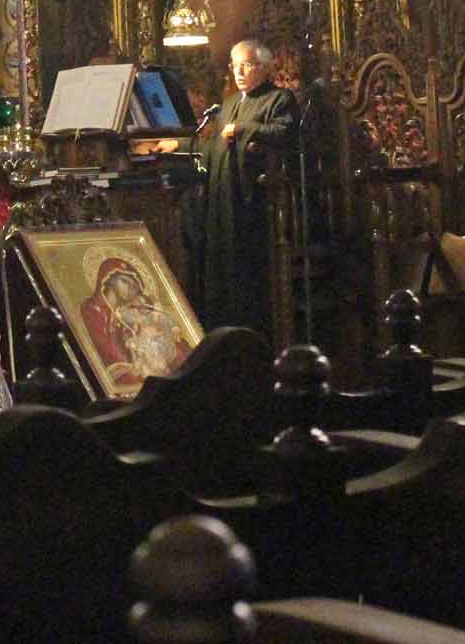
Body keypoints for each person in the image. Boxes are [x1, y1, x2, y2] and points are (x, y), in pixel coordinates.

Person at [191, 39, 299, 332]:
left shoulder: (279, 99)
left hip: (256, 202)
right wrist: (177, 147)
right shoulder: (227, 104)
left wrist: (241, 129)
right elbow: (212, 146)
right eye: (234, 65)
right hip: (222, 200)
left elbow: (284, 131)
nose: (238, 72)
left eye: (246, 65)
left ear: (265, 68)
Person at [77, 254, 191, 396]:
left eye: (133, 285)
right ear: (108, 280)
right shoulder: (92, 309)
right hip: (120, 378)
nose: (130, 289)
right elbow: (105, 349)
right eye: (124, 282)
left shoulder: (132, 311)